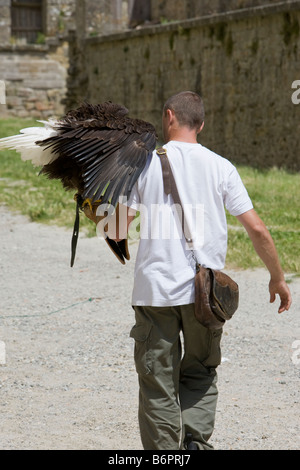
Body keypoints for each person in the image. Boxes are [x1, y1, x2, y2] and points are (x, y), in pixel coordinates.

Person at [102, 91, 292, 450]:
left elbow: (117, 230)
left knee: (157, 379)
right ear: (201, 124)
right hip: (204, 293)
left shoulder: (143, 165)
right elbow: (258, 229)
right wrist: (277, 277)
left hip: (154, 291)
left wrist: (96, 211)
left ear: (168, 116)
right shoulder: (222, 167)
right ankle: (194, 447)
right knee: (201, 372)